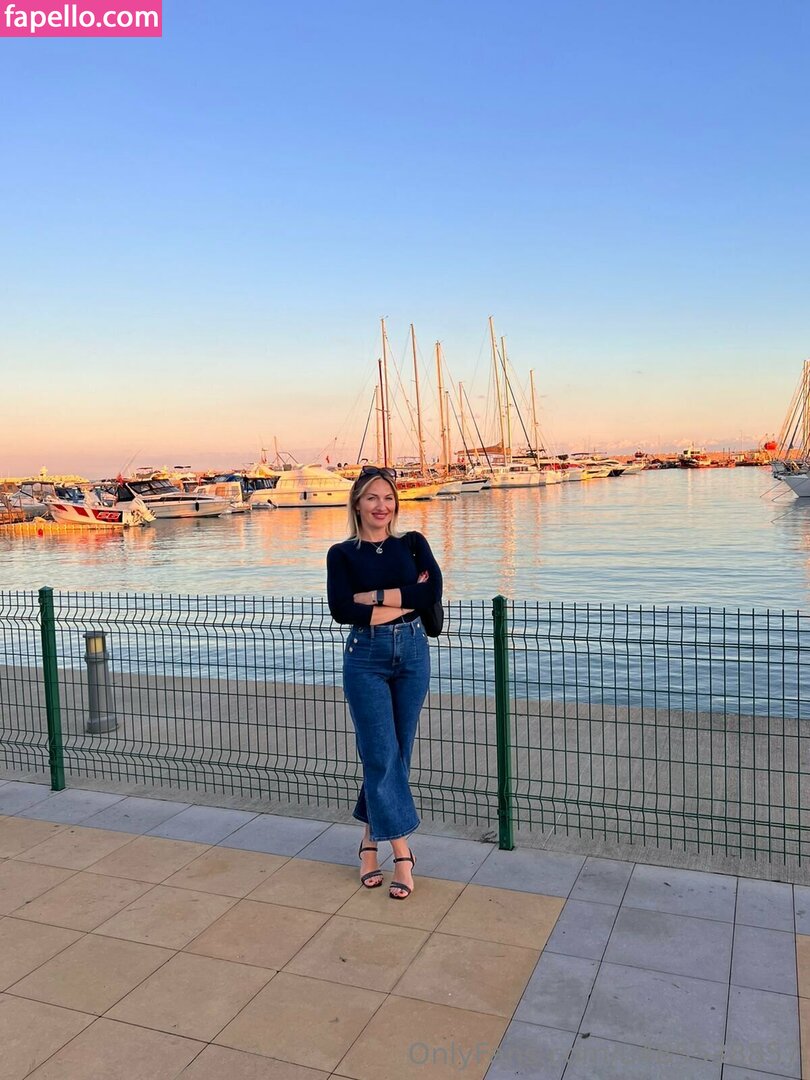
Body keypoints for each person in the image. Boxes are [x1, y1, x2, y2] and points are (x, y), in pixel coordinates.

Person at [326, 466, 442, 899]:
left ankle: (368, 842)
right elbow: (342, 610)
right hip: (366, 657)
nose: (382, 506)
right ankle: (403, 852)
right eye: (373, 498)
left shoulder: (412, 543)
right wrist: (405, 598)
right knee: (380, 753)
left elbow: (431, 593)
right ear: (357, 503)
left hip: (413, 653)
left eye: (389, 498)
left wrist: (374, 598)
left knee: (397, 752)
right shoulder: (341, 554)